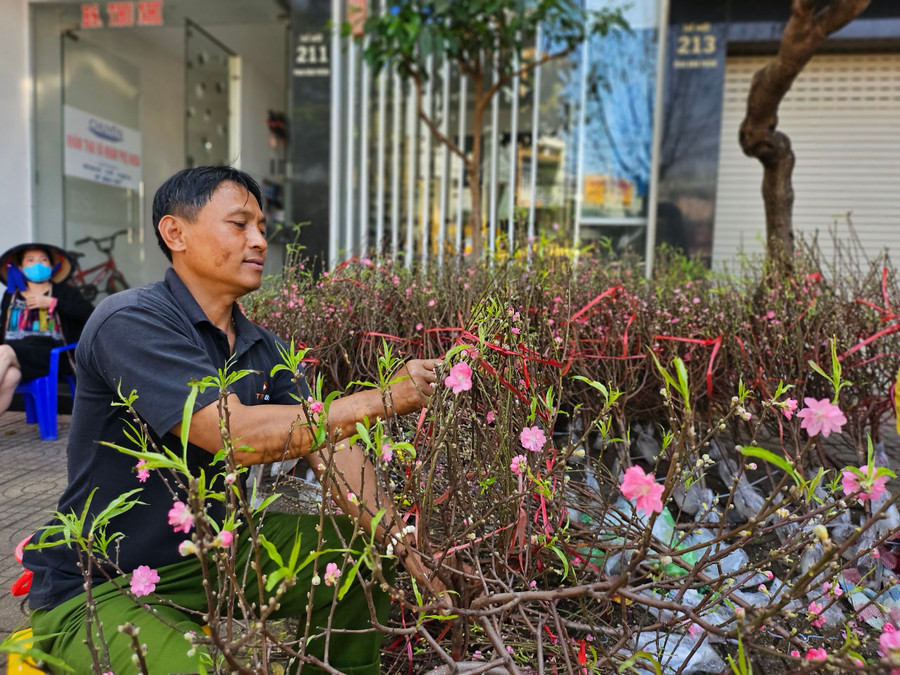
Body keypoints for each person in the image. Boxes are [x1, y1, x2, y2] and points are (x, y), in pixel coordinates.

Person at [22, 166, 443, 674]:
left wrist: (400, 540)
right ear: (175, 233)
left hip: (214, 553)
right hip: (101, 580)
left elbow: (332, 446)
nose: (259, 240)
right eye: (239, 224)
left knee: (360, 550)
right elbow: (232, 435)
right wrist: (383, 399)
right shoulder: (129, 320)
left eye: (261, 227)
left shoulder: (264, 347)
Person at [0, 243, 93, 415]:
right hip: (16, 356)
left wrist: (53, 303)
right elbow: (3, 326)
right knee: (10, 377)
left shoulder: (64, 292)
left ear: (51, 266)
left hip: (49, 354)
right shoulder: (11, 294)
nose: (38, 264)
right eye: (30, 260)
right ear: (20, 267)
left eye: (43, 260)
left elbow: (88, 314)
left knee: (4, 351)